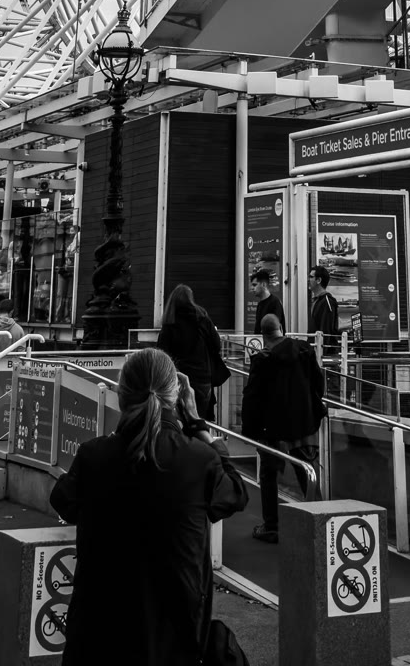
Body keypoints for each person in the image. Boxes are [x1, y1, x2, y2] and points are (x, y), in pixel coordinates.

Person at [50, 348, 246, 664]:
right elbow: (236, 493)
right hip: (174, 638)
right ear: (177, 398)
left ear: (121, 396)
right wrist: (197, 423)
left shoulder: (94, 456)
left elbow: (63, 501)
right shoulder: (199, 460)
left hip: (97, 636)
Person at [240, 314, 325, 543]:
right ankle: (321, 525)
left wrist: (249, 431)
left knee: (269, 474)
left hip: (273, 429)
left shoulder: (262, 359)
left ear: (263, 334)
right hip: (304, 424)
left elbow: (252, 397)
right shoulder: (305, 350)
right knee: (307, 473)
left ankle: (272, 527)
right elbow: (318, 383)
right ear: (281, 328)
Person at [157, 284, 230, 424]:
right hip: (203, 377)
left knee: (180, 421)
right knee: (200, 419)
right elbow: (216, 344)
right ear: (191, 299)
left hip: (179, 378)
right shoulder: (202, 318)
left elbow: (162, 353)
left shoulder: (170, 322)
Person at [307, 267, 340, 357]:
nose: (308, 280)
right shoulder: (317, 301)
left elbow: (326, 330)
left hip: (324, 355)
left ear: (318, 280)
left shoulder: (327, 302)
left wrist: (321, 356)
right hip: (316, 351)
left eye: (311, 277)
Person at [250, 267, 285, 336]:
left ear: (264, 284)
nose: (252, 288)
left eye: (255, 285)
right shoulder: (260, 304)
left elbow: (277, 328)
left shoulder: (275, 303)